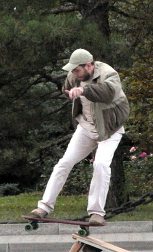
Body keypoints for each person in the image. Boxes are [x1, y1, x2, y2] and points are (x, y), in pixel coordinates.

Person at [31, 48, 130, 225]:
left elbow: (108, 93)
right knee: (64, 163)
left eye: (77, 70)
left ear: (89, 65)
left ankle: (97, 213)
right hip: (86, 127)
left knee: (100, 165)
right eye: (73, 71)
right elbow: (66, 89)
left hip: (109, 130)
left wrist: (83, 91)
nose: (74, 74)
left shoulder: (109, 74)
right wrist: (69, 93)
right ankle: (44, 207)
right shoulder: (73, 75)